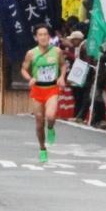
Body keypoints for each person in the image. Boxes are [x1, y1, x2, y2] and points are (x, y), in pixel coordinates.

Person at [21, 25, 64, 162]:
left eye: (45, 34)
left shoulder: (57, 51)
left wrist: (62, 77)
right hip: (37, 90)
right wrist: (30, 79)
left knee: (50, 116)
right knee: (39, 122)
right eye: (40, 35)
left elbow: (63, 65)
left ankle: (50, 128)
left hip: (52, 88)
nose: (43, 37)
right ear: (36, 37)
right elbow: (23, 69)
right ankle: (42, 148)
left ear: (49, 37)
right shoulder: (31, 53)